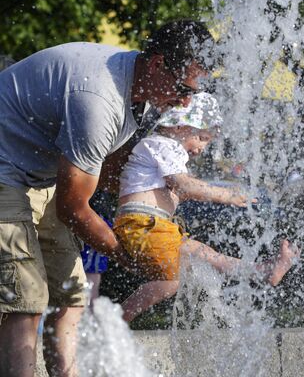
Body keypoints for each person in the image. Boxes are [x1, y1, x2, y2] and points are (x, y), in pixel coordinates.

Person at [0, 20, 215, 377]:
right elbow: (73, 208)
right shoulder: (100, 100)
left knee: (71, 295)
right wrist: (125, 252)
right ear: (158, 64)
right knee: (27, 298)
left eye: (194, 90)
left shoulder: (141, 93)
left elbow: (111, 175)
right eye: (182, 88)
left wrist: (154, 214)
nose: (186, 101)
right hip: (5, 170)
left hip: (40, 175)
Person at [112, 94, 300, 322]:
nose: (202, 148)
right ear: (180, 125)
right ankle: (116, 321)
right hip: (143, 225)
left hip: (157, 227)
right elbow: (184, 185)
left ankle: (263, 271)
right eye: (201, 137)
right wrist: (225, 195)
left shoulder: (164, 151)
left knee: (210, 257)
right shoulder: (161, 145)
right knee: (169, 281)